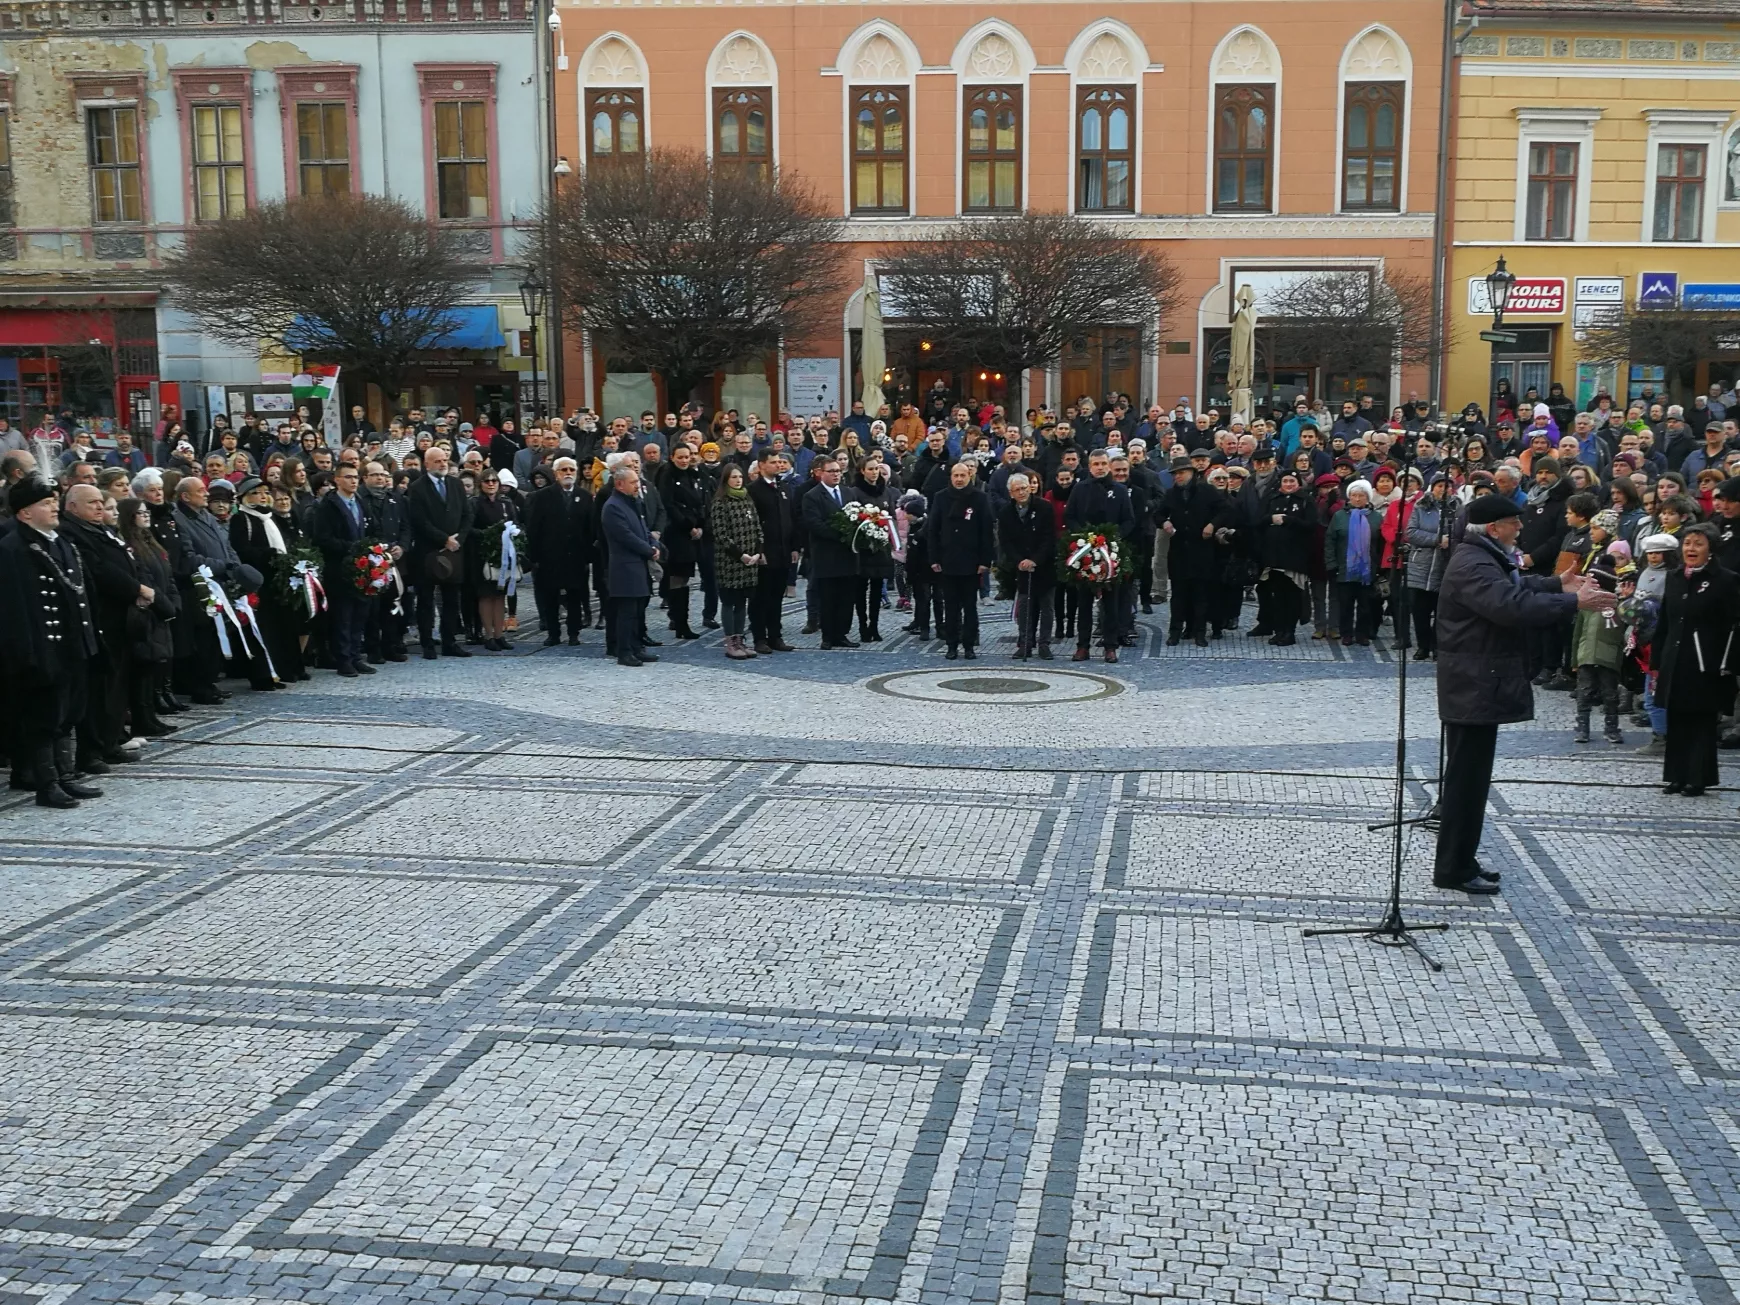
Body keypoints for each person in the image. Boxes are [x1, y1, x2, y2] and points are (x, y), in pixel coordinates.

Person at [1432, 494, 1615, 894]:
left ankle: (1462, 857)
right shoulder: (1474, 561)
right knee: (1467, 781)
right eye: (1514, 522)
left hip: (1478, 681)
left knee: (1472, 779)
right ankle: (1452, 868)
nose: (1521, 527)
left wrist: (1556, 583)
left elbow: (1513, 585)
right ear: (1495, 527)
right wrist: (1573, 601)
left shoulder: (1483, 554)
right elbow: (1509, 605)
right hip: (1473, 683)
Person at [0, 476, 103, 807]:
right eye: (45, 503)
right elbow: (14, 609)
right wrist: (27, 654)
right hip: (43, 647)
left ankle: (66, 774)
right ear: (24, 513)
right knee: (43, 717)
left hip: (71, 645)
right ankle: (47, 782)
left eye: (54, 500)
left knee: (69, 713)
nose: (53, 507)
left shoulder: (60, 542)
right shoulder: (13, 548)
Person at [1650, 523, 1738, 796]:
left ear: (1710, 550)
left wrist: (1728, 663)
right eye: (1687, 543)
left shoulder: (1726, 580)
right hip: (1675, 658)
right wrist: (1656, 662)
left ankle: (1698, 778)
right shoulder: (1675, 577)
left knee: (1700, 721)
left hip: (1707, 662)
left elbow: (1735, 624)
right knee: (1676, 718)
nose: (1691, 548)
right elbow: (1665, 622)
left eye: (1698, 544)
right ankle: (1676, 776)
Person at [405, 445, 473, 660]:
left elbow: (467, 514)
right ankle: (427, 643)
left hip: (454, 551)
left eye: (445, 460)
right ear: (426, 464)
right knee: (425, 600)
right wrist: (443, 539)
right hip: (428, 551)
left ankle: (450, 641)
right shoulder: (417, 488)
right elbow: (419, 520)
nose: (443, 464)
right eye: (438, 461)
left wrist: (458, 539)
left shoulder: (455, 484)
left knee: (452, 599)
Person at [310, 462, 375, 678]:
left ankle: (356, 656)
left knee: (360, 614)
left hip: (363, 569)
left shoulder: (361, 502)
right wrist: (352, 548)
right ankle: (343, 659)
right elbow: (322, 538)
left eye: (356, 477)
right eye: (348, 477)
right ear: (337, 480)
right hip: (340, 568)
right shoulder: (328, 506)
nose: (353, 481)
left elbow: (371, 528)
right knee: (343, 616)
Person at [926, 461, 995, 660]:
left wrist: (985, 560)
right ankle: (951, 644)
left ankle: (969, 644)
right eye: (955, 475)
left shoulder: (979, 498)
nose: (959, 479)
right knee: (951, 607)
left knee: (970, 606)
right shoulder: (940, 497)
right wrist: (933, 558)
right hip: (947, 560)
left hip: (971, 562)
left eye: (962, 476)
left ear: (969, 476)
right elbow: (933, 529)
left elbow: (987, 532)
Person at [523, 456, 593, 647]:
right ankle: (553, 633)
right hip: (550, 556)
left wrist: (588, 555)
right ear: (555, 474)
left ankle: (574, 632)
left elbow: (590, 528)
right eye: (564, 470)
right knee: (550, 596)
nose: (568, 473)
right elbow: (534, 528)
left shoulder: (585, 496)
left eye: (571, 470)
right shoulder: (542, 496)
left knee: (574, 596)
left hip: (576, 556)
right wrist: (534, 556)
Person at [599, 463, 661, 667]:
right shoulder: (613, 507)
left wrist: (654, 544)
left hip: (639, 565)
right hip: (625, 566)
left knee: (638, 611)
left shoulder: (634, 503)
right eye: (633, 482)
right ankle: (624, 651)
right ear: (619, 484)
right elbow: (626, 536)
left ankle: (636, 647)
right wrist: (649, 550)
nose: (637, 485)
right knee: (626, 612)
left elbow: (644, 529)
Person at [800, 456, 860, 650]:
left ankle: (841, 634)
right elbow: (814, 524)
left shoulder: (848, 492)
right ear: (821, 473)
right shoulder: (812, 495)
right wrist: (841, 534)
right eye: (831, 471)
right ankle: (828, 635)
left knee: (846, 597)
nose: (836, 474)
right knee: (827, 597)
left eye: (838, 471)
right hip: (826, 554)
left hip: (847, 555)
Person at [708, 463, 765, 659]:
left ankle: (740, 639)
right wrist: (740, 555)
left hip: (749, 561)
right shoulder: (719, 503)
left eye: (740, 477)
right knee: (729, 601)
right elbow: (721, 534)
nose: (738, 480)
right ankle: (730, 640)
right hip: (730, 561)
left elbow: (757, 527)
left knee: (742, 602)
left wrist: (758, 551)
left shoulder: (747, 499)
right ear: (726, 480)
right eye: (733, 477)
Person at [999, 471, 1056, 659]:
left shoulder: (1044, 508)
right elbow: (1006, 541)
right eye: (1017, 490)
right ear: (1011, 493)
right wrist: (1019, 561)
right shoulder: (1006, 513)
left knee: (1046, 606)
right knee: (1024, 606)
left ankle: (1044, 643)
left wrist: (1035, 560)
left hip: (1044, 564)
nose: (1022, 493)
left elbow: (1048, 538)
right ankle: (1025, 642)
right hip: (1021, 566)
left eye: (1024, 488)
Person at [747, 449, 796, 654]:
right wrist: (759, 550)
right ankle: (759, 637)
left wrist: (794, 546)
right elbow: (751, 524)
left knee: (777, 597)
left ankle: (775, 635)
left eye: (780, 462)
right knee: (760, 597)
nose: (779, 465)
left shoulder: (784, 487)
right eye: (774, 462)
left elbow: (791, 518)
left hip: (783, 551)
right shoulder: (754, 490)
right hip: (765, 553)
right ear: (761, 465)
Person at [467, 469, 520, 651]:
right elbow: (469, 528)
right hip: (482, 554)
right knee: (486, 595)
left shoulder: (506, 503)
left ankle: (499, 634)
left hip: (503, 553)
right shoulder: (474, 503)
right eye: (487, 481)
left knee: (500, 595)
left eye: (494, 481)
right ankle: (488, 635)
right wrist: (487, 535)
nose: (491, 484)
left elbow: (515, 523)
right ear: (480, 484)